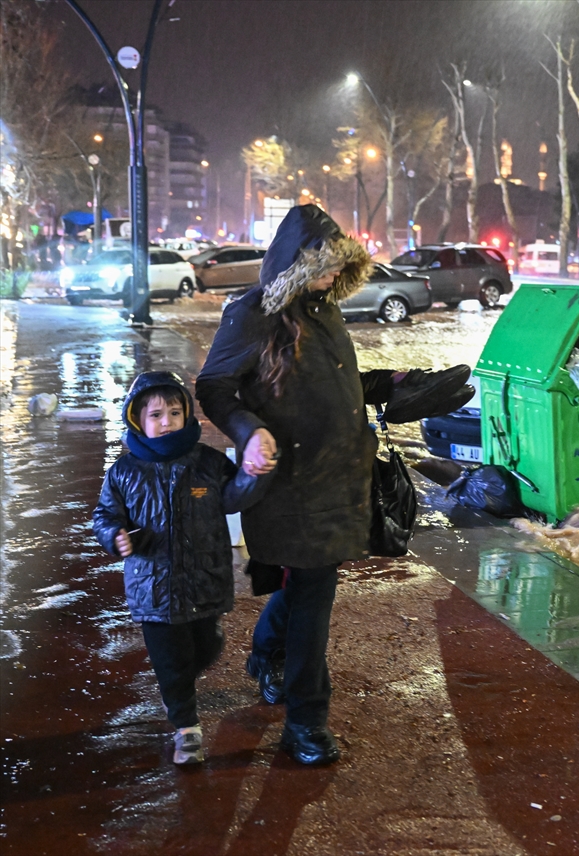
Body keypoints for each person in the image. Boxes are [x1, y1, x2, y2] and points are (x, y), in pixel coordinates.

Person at [195, 205, 469, 766]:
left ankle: (267, 655)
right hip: (290, 483)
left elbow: (337, 380)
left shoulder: (324, 310)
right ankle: (306, 720)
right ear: (293, 263)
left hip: (341, 479)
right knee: (315, 594)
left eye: (338, 266)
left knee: (309, 587)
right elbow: (215, 385)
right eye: (321, 265)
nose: (330, 276)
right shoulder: (253, 312)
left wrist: (395, 382)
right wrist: (249, 432)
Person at [93, 371, 273, 765]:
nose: (167, 421)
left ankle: (180, 685)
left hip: (203, 582)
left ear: (188, 414)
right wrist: (114, 535)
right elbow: (105, 515)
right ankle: (186, 728)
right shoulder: (124, 471)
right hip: (152, 588)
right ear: (138, 419)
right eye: (156, 414)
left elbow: (233, 498)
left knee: (207, 648)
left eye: (175, 412)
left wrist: (254, 474)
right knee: (172, 663)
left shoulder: (206, 462)